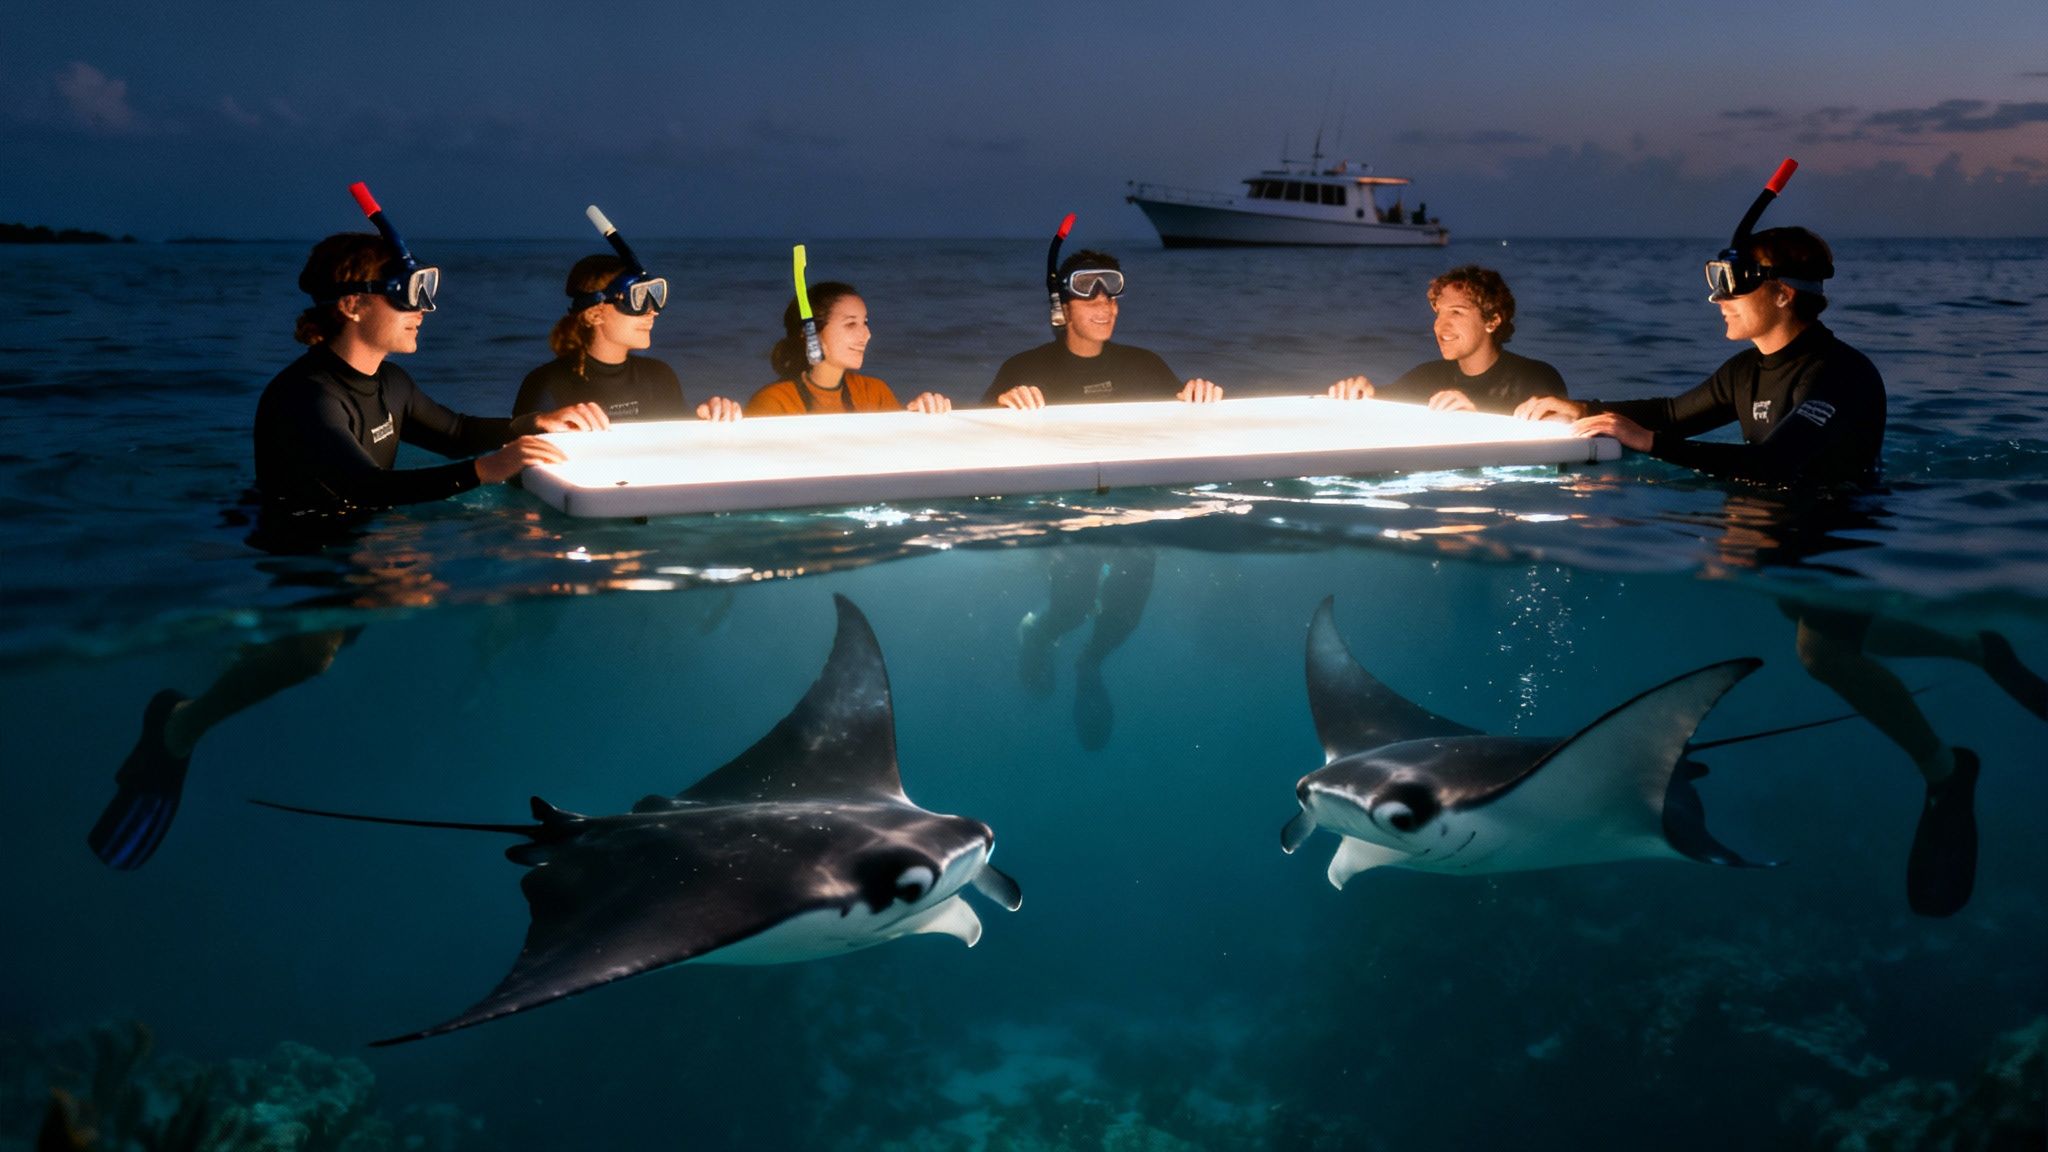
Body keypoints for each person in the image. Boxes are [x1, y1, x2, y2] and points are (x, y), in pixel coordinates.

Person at [1518, 225, 2046, 916]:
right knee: (1837, 632)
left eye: (1729, 285)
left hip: (1847, 528)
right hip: (1778, 531)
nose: (1716, 301)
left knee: (1823, 653)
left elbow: (1775, 462)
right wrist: (1588, 409)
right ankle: (1977, 646)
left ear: (1783, 293)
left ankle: (1946, 770)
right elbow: (1676, 414)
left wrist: (1651, 445)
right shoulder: (1744, 370)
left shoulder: (1838, 373)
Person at [88, 230, 609, 871]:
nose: (425, 309)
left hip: (355, 537)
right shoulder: (305, 395)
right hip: (296, 540)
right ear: (354, 305)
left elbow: (452, 433)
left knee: (359, 623)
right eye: (409, 294)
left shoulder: (390, 381)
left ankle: (231, 672)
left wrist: (531, 425)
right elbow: (364, 483)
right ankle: (176, 727)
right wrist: (487, 469)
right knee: (316, 652)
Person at [515, 253, 741, 423]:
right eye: (637, 301)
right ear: (594, 314)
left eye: (654, 299)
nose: (652, 312)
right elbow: (519, 463)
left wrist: (709, 419)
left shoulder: (659, 377)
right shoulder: (546, 383)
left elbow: (681, 452)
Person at [983, 251, 1223, 409]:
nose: (1105, 309)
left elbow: (1185, 413)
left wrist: (1199, 394)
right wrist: (1001, 405)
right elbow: (977, 429)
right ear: (1063, 311)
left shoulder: (1145, 365)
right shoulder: (1022, 368)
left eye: (1110, 300)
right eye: (1090, 302)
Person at [1327, 265, 1567, 414]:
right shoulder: (1428, 377)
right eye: (1438, 313)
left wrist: (1477, 415)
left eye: (1456, 312)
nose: (1441, 326)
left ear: (1492, 321)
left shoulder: (1536, 377)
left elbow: (1553, 426)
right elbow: (1384, 401)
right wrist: (1361, 393)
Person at [745, 281, 950, 416]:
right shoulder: (775, 402)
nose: (866, 335)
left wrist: (923, 412)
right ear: (810, 334)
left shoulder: (874, 393)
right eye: (851, 324)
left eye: (865, 323)